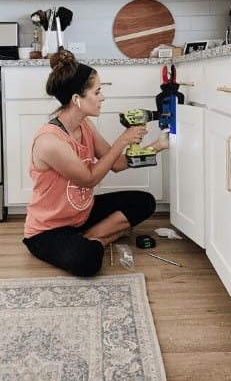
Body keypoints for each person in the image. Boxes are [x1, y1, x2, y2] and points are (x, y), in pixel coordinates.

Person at [22, 50, 167, 276]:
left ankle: (91, 237)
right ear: (77, 99)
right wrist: (122, 140)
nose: (102, 97)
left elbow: (116, 164)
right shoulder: (50, 141)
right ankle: (96, 239)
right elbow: (89, 179)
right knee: (86, 262)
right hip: (48, 230)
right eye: (97, 92)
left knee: (145, 202)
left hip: (82, 214)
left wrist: (157, 145)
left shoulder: (85, 125)